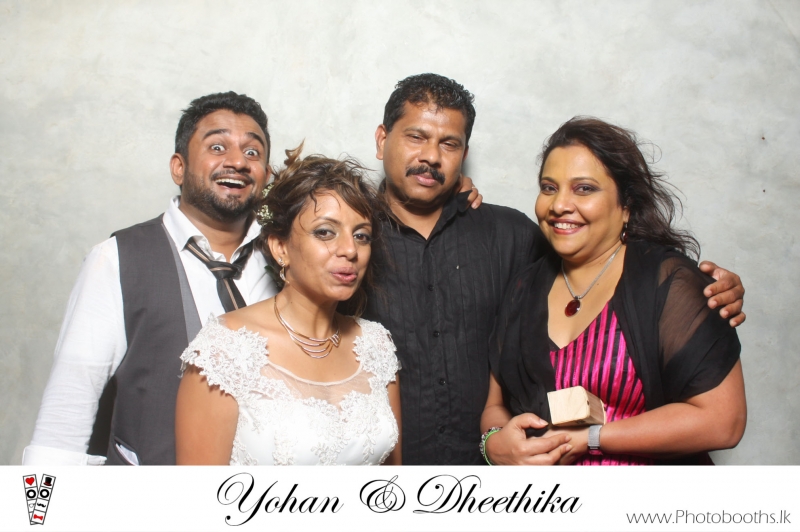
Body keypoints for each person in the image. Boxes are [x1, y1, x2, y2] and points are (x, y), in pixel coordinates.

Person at [363, 73, 747, 465]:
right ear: (382, 140)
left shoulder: (514, 237)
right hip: (396, 480)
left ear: (464, 153)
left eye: (449, 143)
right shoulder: (348, 248)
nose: (431, 156)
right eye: (416, 137)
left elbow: (600, 253)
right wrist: (493, 441)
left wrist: (705, 288)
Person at [23, 92, 277, 465]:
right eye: (217, 147)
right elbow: (67, 409)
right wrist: (42, 501)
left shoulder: (289, 260)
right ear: (179, 167)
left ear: (266, 175)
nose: (238, 161)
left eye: (252, 152)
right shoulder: (117, 259)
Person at [482, 117, 746, 465]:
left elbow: (723, 422)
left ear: (627, 206)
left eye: (584, 189)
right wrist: (493, 443)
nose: (559, 204)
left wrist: (591, 439)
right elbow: (495, 406)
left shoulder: (667, 281)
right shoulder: (523, 287)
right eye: (549, 187)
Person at [175, 146, 401, 465]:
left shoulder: (376, 345)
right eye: (325, 232)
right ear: (280, 247)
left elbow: (392, 481)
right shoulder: (224, 350)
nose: (350, 250)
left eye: (361, 236)